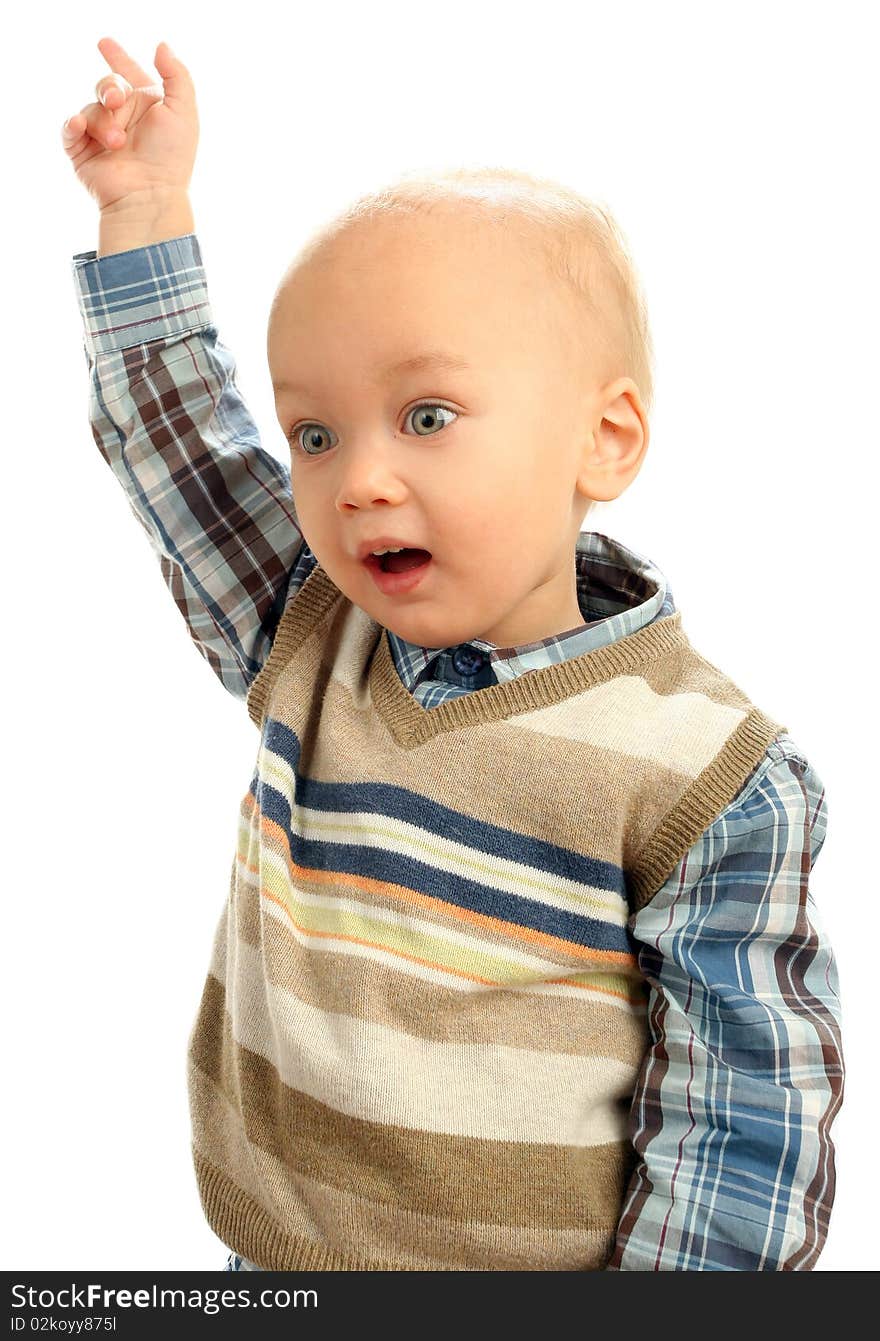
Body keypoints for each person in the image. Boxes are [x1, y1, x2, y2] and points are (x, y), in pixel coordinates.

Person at [63, 37, 845, 1272]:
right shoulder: (309, 630)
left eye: (427, 418)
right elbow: (184, 455)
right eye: (313, 432)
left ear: (605, 438)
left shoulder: (706, 772)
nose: (358, 478)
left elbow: (741, 1129)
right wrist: (146, 212)